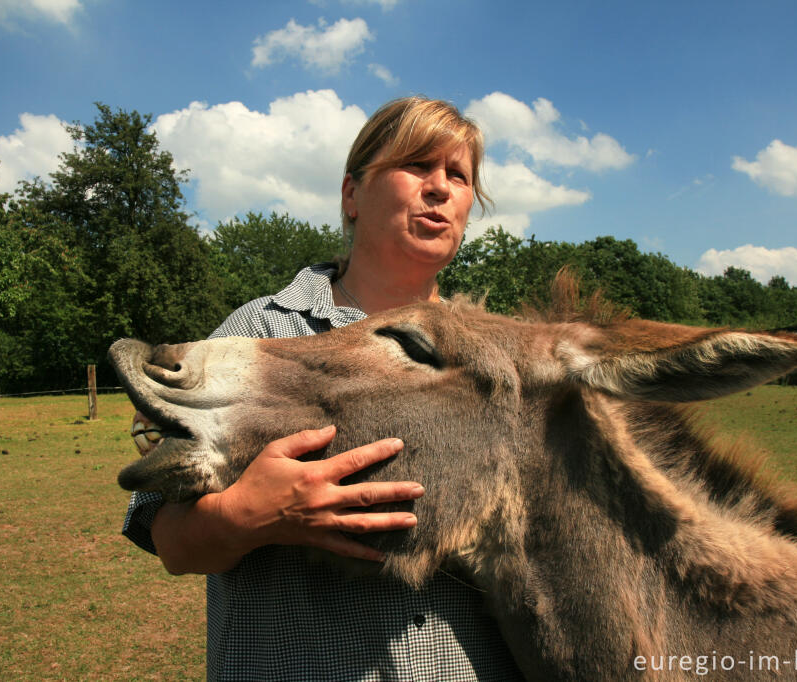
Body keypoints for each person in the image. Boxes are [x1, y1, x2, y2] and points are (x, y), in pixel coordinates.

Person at [122, 96, 524, 681]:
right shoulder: (259, 332)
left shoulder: (498, 363)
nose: (440, 188)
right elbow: (172, 544)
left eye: (458, 176)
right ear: (351, 195)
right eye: (416, 164)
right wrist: (249, 514)